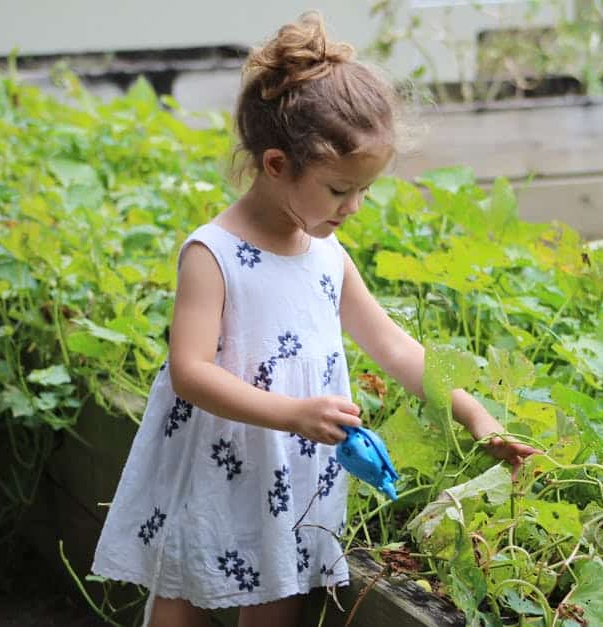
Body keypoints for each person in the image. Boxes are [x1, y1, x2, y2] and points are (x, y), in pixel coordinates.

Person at [90, 10, 539, 627]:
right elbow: (189, 371)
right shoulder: (214, 255)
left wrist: (475, 416)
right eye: (337, 190)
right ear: (277, 165)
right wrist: (293, 414)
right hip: (222, 463)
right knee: (183, 596)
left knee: (281, 596)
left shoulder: (327, 256)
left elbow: (397, 349)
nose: (352, 207)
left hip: (295, 474)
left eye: (364, 191)